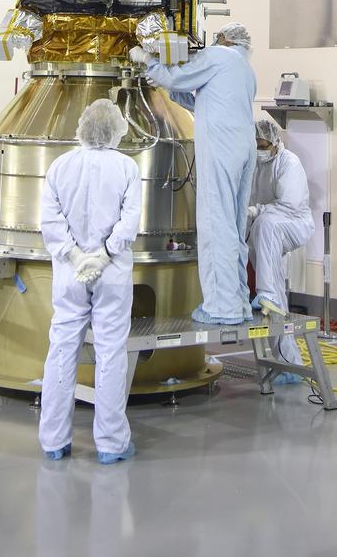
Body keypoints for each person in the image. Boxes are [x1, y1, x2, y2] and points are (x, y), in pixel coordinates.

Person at [130, 22, 257, 326]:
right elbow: (197, 97)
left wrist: (149, 60)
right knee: (234, 226)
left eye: (218, 36)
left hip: (223, 147)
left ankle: (221, 307)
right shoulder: (244, 68)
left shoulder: (218, 55)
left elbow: (180, 77)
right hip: (243, 146)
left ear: (226, 39)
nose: (214, 39)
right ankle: (238, 302)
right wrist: (166, 83)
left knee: (216, 223)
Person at [39, 98, 141, 464]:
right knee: (111, 353)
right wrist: (103, 256)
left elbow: (50, 223)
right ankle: (111, 444)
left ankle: (54, 440)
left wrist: (77, 257)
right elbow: (129, 222)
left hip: (70, 274)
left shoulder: (60, 166)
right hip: (111, 274)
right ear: (117, 129)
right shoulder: (127, 168)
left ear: (82, 127)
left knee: (62, 350)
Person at [247, 116, 315, 381]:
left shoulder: (290, 163)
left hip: (293, 223)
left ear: (274, 142)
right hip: (266, 229)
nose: (259, 149)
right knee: (273, 275)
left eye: (262, 144)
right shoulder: (255, 164)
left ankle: (267, 294)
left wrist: (255, 210)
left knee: (265, 224)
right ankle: (287, 361)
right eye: (255, 144)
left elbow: (288, 205)